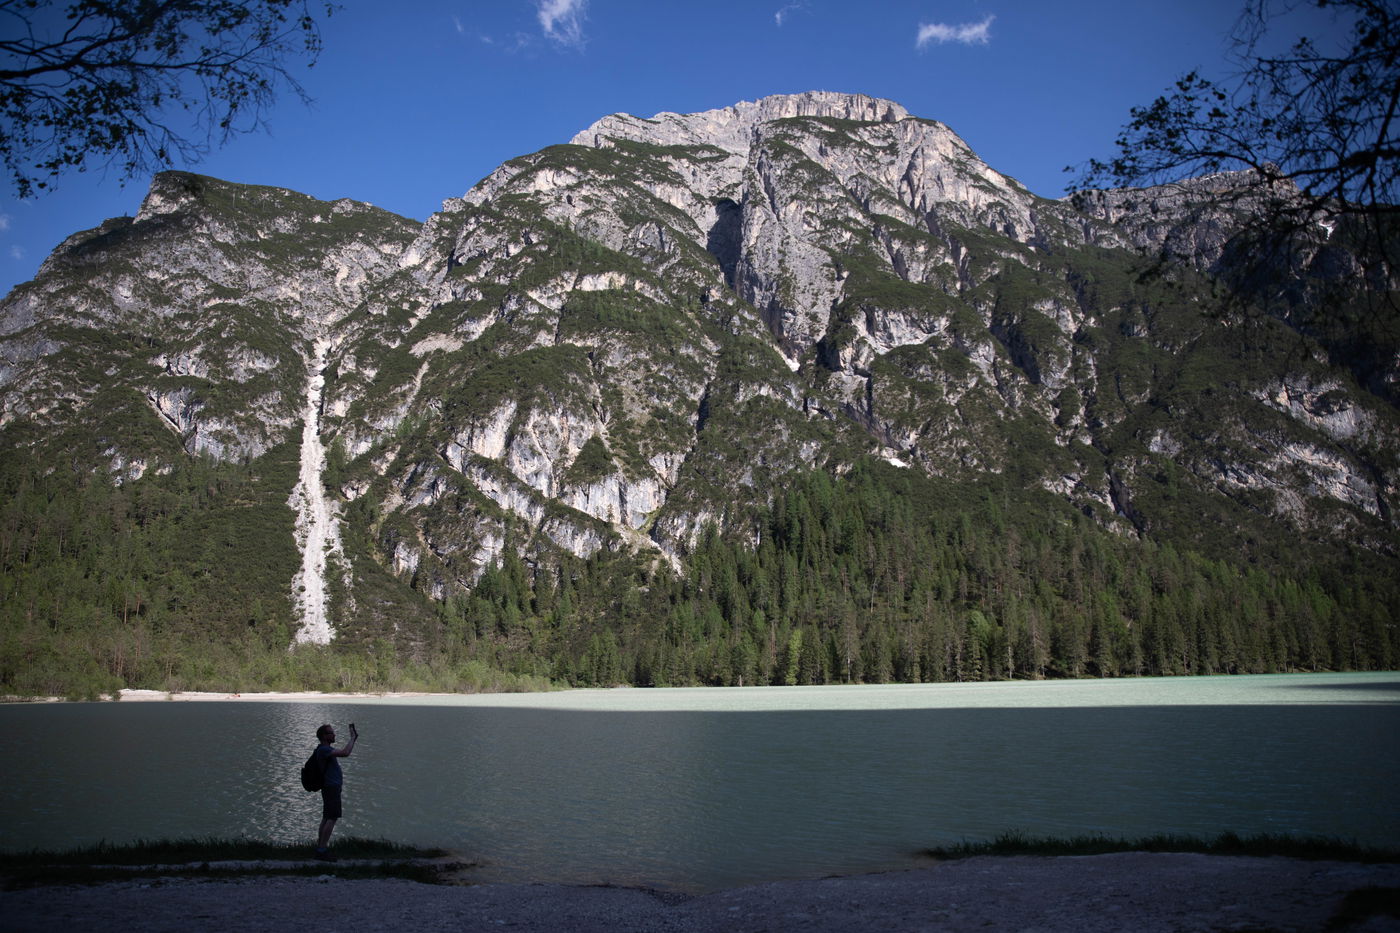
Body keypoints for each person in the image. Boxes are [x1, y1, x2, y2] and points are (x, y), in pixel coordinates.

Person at [313, 722, 357, 861]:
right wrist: (352, 738)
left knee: (327, 817)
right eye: (331, 732)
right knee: (332, 818)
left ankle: (320, 847)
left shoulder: (324, 749)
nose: (334, 734)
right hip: (331, 788)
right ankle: (322, 850)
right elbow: (345, 753)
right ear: (324, 736)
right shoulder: (324, 750)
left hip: (330, 787)